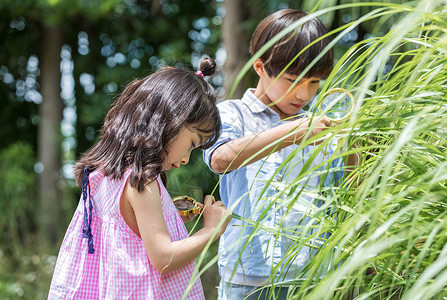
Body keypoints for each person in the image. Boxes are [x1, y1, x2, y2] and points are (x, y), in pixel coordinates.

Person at [203, 9, 360, 300]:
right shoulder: (232, 114)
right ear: (261, 67)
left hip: (313, 278)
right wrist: (292, 132)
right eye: (293, 80)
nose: (304, 95)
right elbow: (221, 159)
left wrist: (352, 147)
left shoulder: (319, 125)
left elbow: (348, 190)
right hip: (247, 281)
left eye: (314, 82)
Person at [48, 58, 231, 299]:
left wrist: (169, 214)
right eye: (192, 144)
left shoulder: (107, 171)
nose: (186, 158)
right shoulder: (142, 180)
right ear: (168, 121)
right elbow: (163, 258)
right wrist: (212, 229)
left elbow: (126, 227)